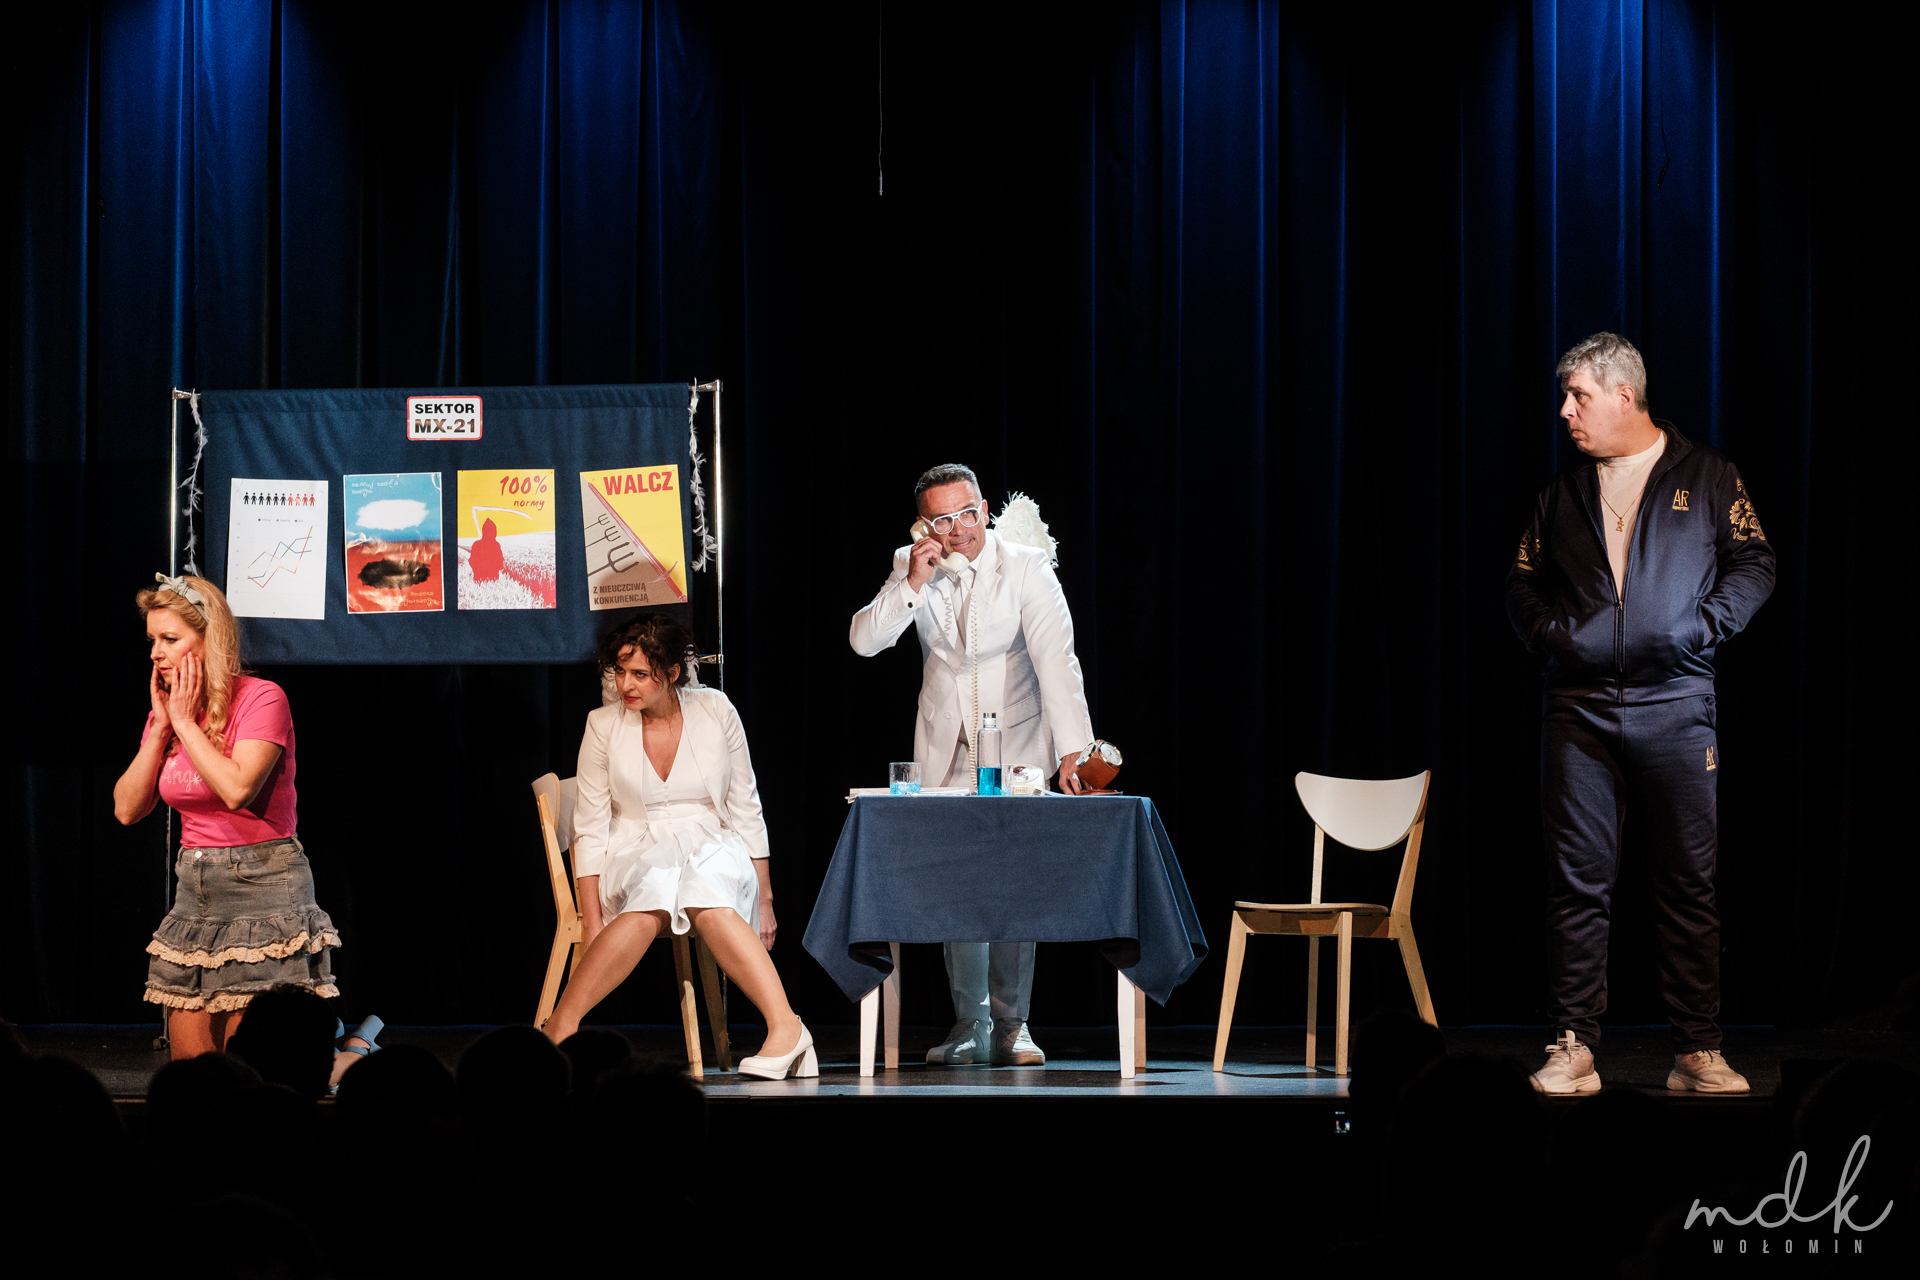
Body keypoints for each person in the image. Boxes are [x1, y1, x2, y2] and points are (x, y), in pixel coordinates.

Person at [1506, 333, 1775, 1095]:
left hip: (1677, 707)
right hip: (1579, 713)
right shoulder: (1562, 494)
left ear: (1625, 396)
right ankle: (1573, 1048)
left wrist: (1701, 627)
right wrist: (1555, 636)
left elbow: (1756, 562)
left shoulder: (1709, 475)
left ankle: (1697, 1051)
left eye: (1578, 396)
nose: (1565, 412)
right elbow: (1521, 583)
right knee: (1577, 885)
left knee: (1688, 884)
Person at [849, 463, 1095, 1066]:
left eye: (965, 514)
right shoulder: (915, 564)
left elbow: (1057, 659)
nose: (957, 528)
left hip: (1017, 749)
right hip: (946, 751)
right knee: (959, 888)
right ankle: (970, 1023)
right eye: (941, 519)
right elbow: (864, 640)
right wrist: (913, 581)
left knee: (1012, 885)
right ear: (922, 524)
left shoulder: (1027, 566)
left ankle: (1014, 1024)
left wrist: (1074, 749)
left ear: (984, 510)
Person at [541, 613, 813, 1079]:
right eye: (620, 671)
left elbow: (745, 804)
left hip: (714, 841)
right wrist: (592, 918)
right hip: (636, 846)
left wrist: (765, 897)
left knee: (703, 887)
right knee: (655, 886)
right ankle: (562, 1026)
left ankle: (786, 1028)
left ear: (671, 673)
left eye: (640, 673)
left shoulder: (716, 710)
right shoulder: (602, 725)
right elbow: (590, 827)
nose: (626, 684)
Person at [113, 574, 342, 1059]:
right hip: (195, 893)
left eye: (169, 639)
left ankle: (351, 1056)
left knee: (256, 1064)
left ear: (210, 639)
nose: (156, 653)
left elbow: (237, 790)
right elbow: (127, 810)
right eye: (152, 640)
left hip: (263, 884)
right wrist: (162, 728)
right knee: (192, 1072)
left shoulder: (262, 698)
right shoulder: (170, 714)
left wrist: (182, 723)